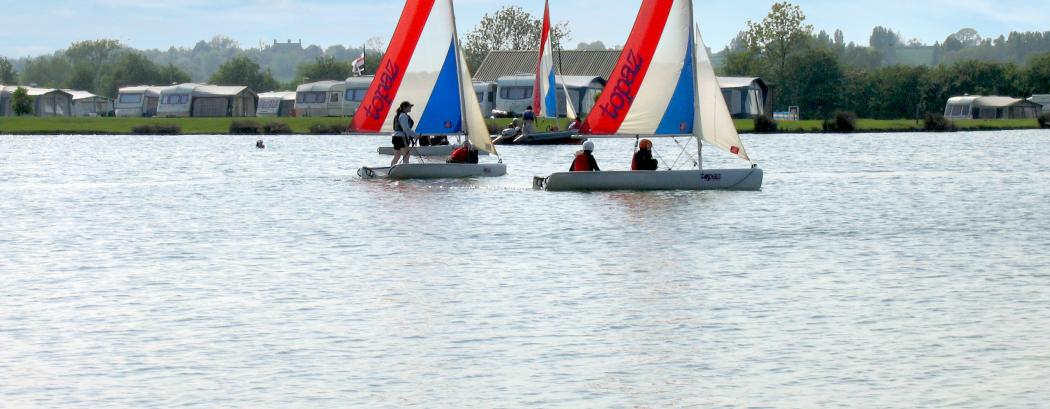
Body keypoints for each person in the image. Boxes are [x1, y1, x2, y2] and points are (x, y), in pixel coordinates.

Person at [391, 101, 418, 166]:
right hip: (401, 138)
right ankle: (405, 170)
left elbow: (406, 129)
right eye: (409, 106)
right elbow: (406, 129)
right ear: (404, 107)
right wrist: (415, 136)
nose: (410, 108)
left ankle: (391, 169)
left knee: (397, 156)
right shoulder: (403, 116)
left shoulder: (398, 115)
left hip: (395, 137)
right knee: (407, 155)